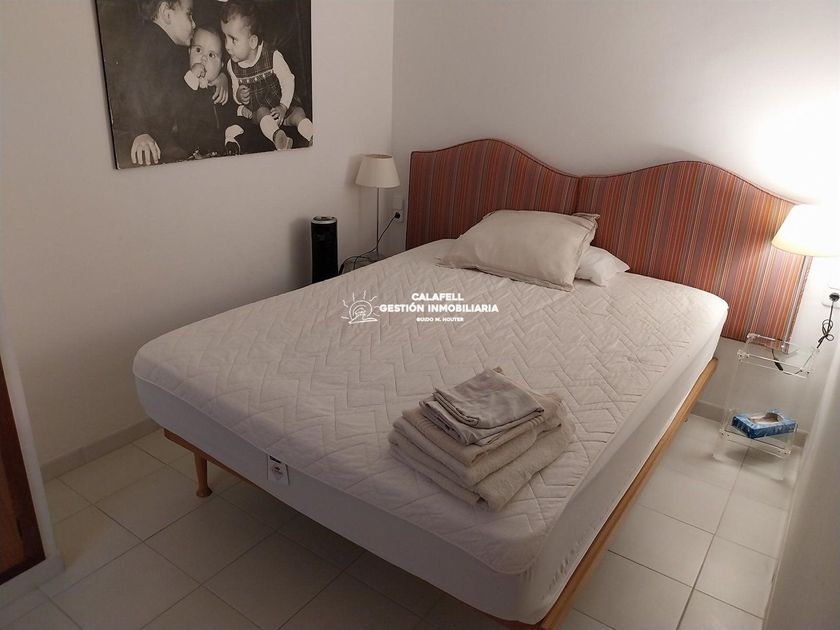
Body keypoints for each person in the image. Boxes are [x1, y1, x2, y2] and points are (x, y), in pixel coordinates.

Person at [124, 0, 228, 166]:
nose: (194, 24)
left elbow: (190, 84)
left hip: (169, 135)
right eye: (189, 14)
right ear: (167, 13)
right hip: (149, 133)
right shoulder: (147, 42)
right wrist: (139, 132)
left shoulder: (171, 49)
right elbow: (132, 85)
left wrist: (221, 76)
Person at [220, 0, 313, 152]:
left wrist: (283, 107)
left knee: (298, 113)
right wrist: (238, 96)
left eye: (233, 40)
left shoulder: (272, 56)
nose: (227, 46)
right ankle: (278, 138)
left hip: (282, 105)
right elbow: (235, 89)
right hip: (259, 113)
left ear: (252, 41)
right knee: (262, 112)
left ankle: (312, 135)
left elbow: (288, 80)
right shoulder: (232, 65)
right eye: (225, 38)